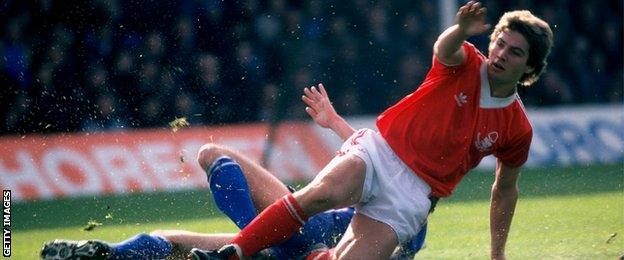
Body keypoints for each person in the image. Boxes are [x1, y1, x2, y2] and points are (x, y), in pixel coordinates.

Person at [198, 1, 553, 259]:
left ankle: (306, 255)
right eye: (500, 42)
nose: (502, 53)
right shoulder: (466, 62)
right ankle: (236, 253)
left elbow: (505, 191)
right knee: (320, 194)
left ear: (530, 68)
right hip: (380, 151)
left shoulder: (516, 128)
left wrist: (498, 254)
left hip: (414, 195)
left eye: (515, 52)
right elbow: (444, 47)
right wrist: (460, 29)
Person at [40, 84, 428, 260]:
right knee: (209, 157)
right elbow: (373, 156)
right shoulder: (409, 194)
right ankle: (106, 253)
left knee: (179, 232)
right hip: (301, 232)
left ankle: (247, 243)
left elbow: (373, 170)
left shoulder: (403, 203)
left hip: (315, 231)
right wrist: (335, 122)